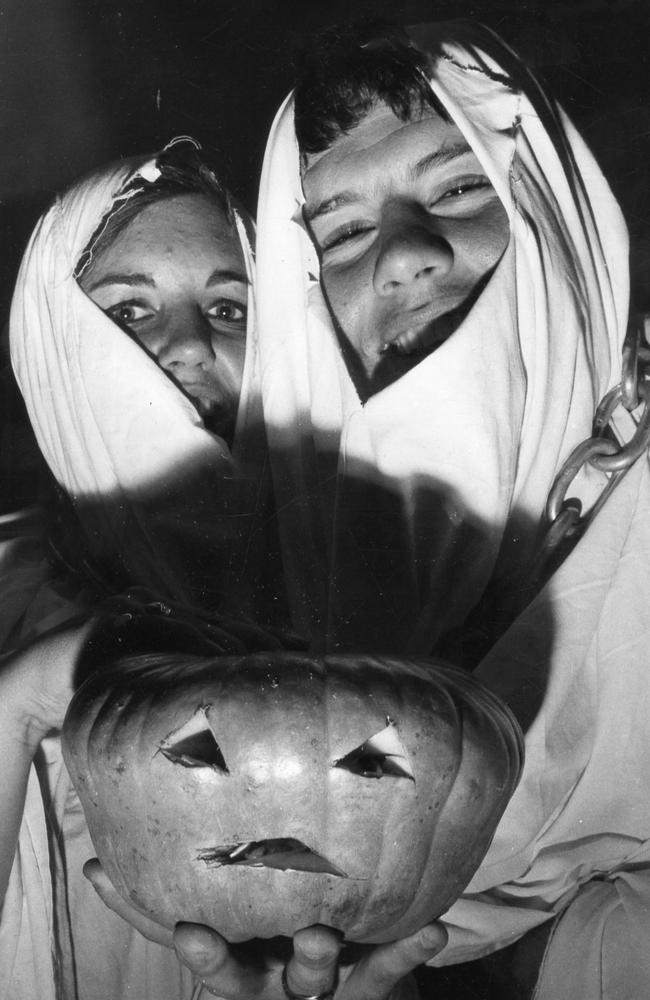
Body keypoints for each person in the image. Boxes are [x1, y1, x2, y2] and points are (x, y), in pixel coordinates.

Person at [184, 18, 647, 1000]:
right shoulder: (271, 585)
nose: (399, 256)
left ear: (557, 218)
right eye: (342, 230)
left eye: (459, 185)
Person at [0, 138, 273, 1000]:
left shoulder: (348, 592)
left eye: (229, 310)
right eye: (129, 312)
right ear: (53, 349)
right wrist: (26, 698)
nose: (192, 346)